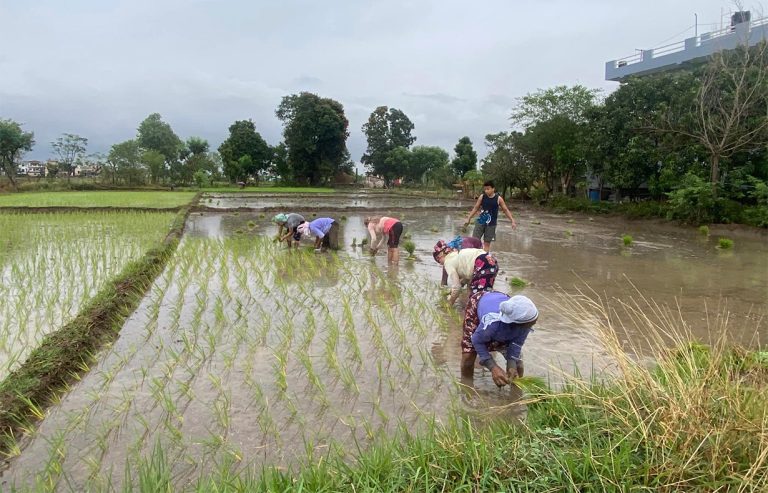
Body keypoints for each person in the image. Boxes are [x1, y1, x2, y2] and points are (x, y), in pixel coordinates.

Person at [461, 292, 538, 386]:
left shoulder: (525, 323)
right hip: (478, 304)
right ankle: (467, 388)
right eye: (530, 323)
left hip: (500, 304)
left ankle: (516, 395)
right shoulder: (492, 325)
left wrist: (511, 364)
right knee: (468, 358)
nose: (532, 325)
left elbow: (517, 344)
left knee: (518, 366)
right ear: (518, 324)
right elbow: (477, 340)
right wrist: (492, 367)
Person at [433, 240, 498, 305]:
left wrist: (449, 303)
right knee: (485, 293)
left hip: (482, 261)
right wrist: (453, 290)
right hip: (491, 259)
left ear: (440, 255)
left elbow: (456, 287)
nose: (440, 263)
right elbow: (467, 277)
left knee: (478, 297)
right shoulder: (455, 254)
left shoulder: (448, 262)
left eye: (438, 261)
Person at [463, 180, 517, 252]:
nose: (486, 191)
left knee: (487, 244)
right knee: (475, 241)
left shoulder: (499, 199)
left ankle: (485, 259)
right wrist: (468, 218)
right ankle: (474, 258)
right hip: (480, 222)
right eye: (485, 189)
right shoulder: (482, 197)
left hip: (491, 225)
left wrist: (512, 220)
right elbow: (476, 208)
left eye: (488, 189)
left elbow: (505, 210)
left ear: (493, 189)